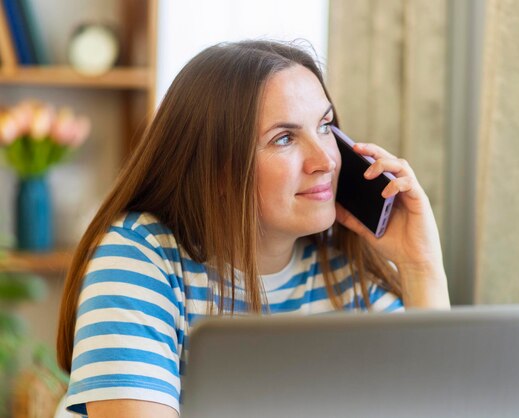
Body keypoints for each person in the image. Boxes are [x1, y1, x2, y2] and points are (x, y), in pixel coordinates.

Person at [56, 39, 450, 417]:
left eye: (325, 126)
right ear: (218, 170)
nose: (326, 161)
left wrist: (420, 266)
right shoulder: (140, 258)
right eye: (284, 138)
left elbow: (443, 405)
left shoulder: (342, 268)